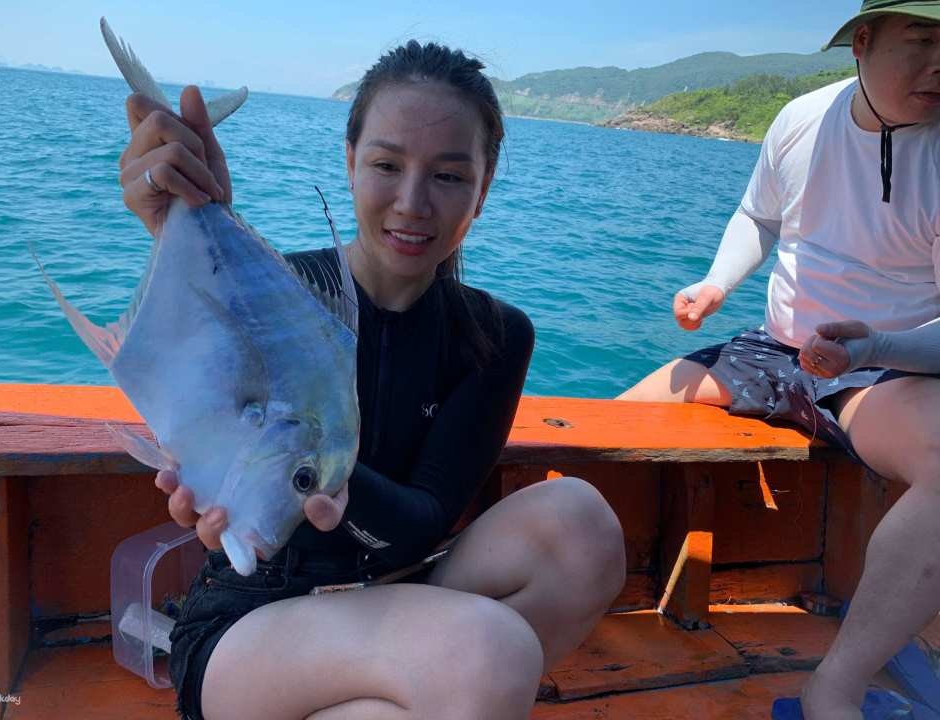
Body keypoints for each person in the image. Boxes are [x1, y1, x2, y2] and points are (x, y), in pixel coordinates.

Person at [118, 41, 626, 720]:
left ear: (486, 182)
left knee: (583, 525)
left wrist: (321, 476)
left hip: (399, 583)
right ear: (350, 160)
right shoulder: (269, 300)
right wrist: (169, 222)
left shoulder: (497, 333)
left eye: (448, 176)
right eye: (387, 164)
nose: (412, 203)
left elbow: (424, 521)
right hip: (250, 621)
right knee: (488, 651)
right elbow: (188, 393)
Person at [619, 2, 940, 718]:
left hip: (881, 376)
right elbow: (759, 216)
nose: (939, 63)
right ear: (863, 41)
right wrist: (716, 283)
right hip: (768, 351)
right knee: (586, 430)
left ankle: (837, 683)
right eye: (923, 40)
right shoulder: (801, 118)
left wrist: (874, 347)